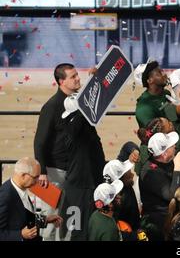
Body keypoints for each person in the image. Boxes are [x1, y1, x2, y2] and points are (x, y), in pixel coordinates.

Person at [33, 63, 80, 240]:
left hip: (71, 171)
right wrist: (42, 172)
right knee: (50, 223)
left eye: (77, 75)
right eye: (73, 76)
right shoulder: (51, 106)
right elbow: (39, 142)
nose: (77, 78)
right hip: (52, 174)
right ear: (61, 81)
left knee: (68, 220)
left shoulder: (76, 103)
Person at [59, 94, 106, 241]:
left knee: (88, 230)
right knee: (79, 233)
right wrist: (84, 106)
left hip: (86, 186)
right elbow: (79, 122)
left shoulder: (84, 129)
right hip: (79, 188)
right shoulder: (73, 130)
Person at [0, 158, 62, 241]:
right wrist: (21, 234)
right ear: (23, 175)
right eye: (35, 177)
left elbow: (23, 217)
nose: (37, 181)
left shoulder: (21, 189)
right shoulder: (5, 196)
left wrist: (46, 219)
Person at [139, 132, 180, 239]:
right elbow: (173, 195)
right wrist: (178, 168)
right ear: (164, 154)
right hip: (158, 226)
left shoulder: (165, 161)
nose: (175, 146)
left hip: (169, 220)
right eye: (171, 146)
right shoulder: (150, 173)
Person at [103, 159, 141, 240]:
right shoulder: (113, 198)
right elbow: (113, 229)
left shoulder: (127, 187)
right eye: (128, 172)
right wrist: (137, 236)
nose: (132, 174)